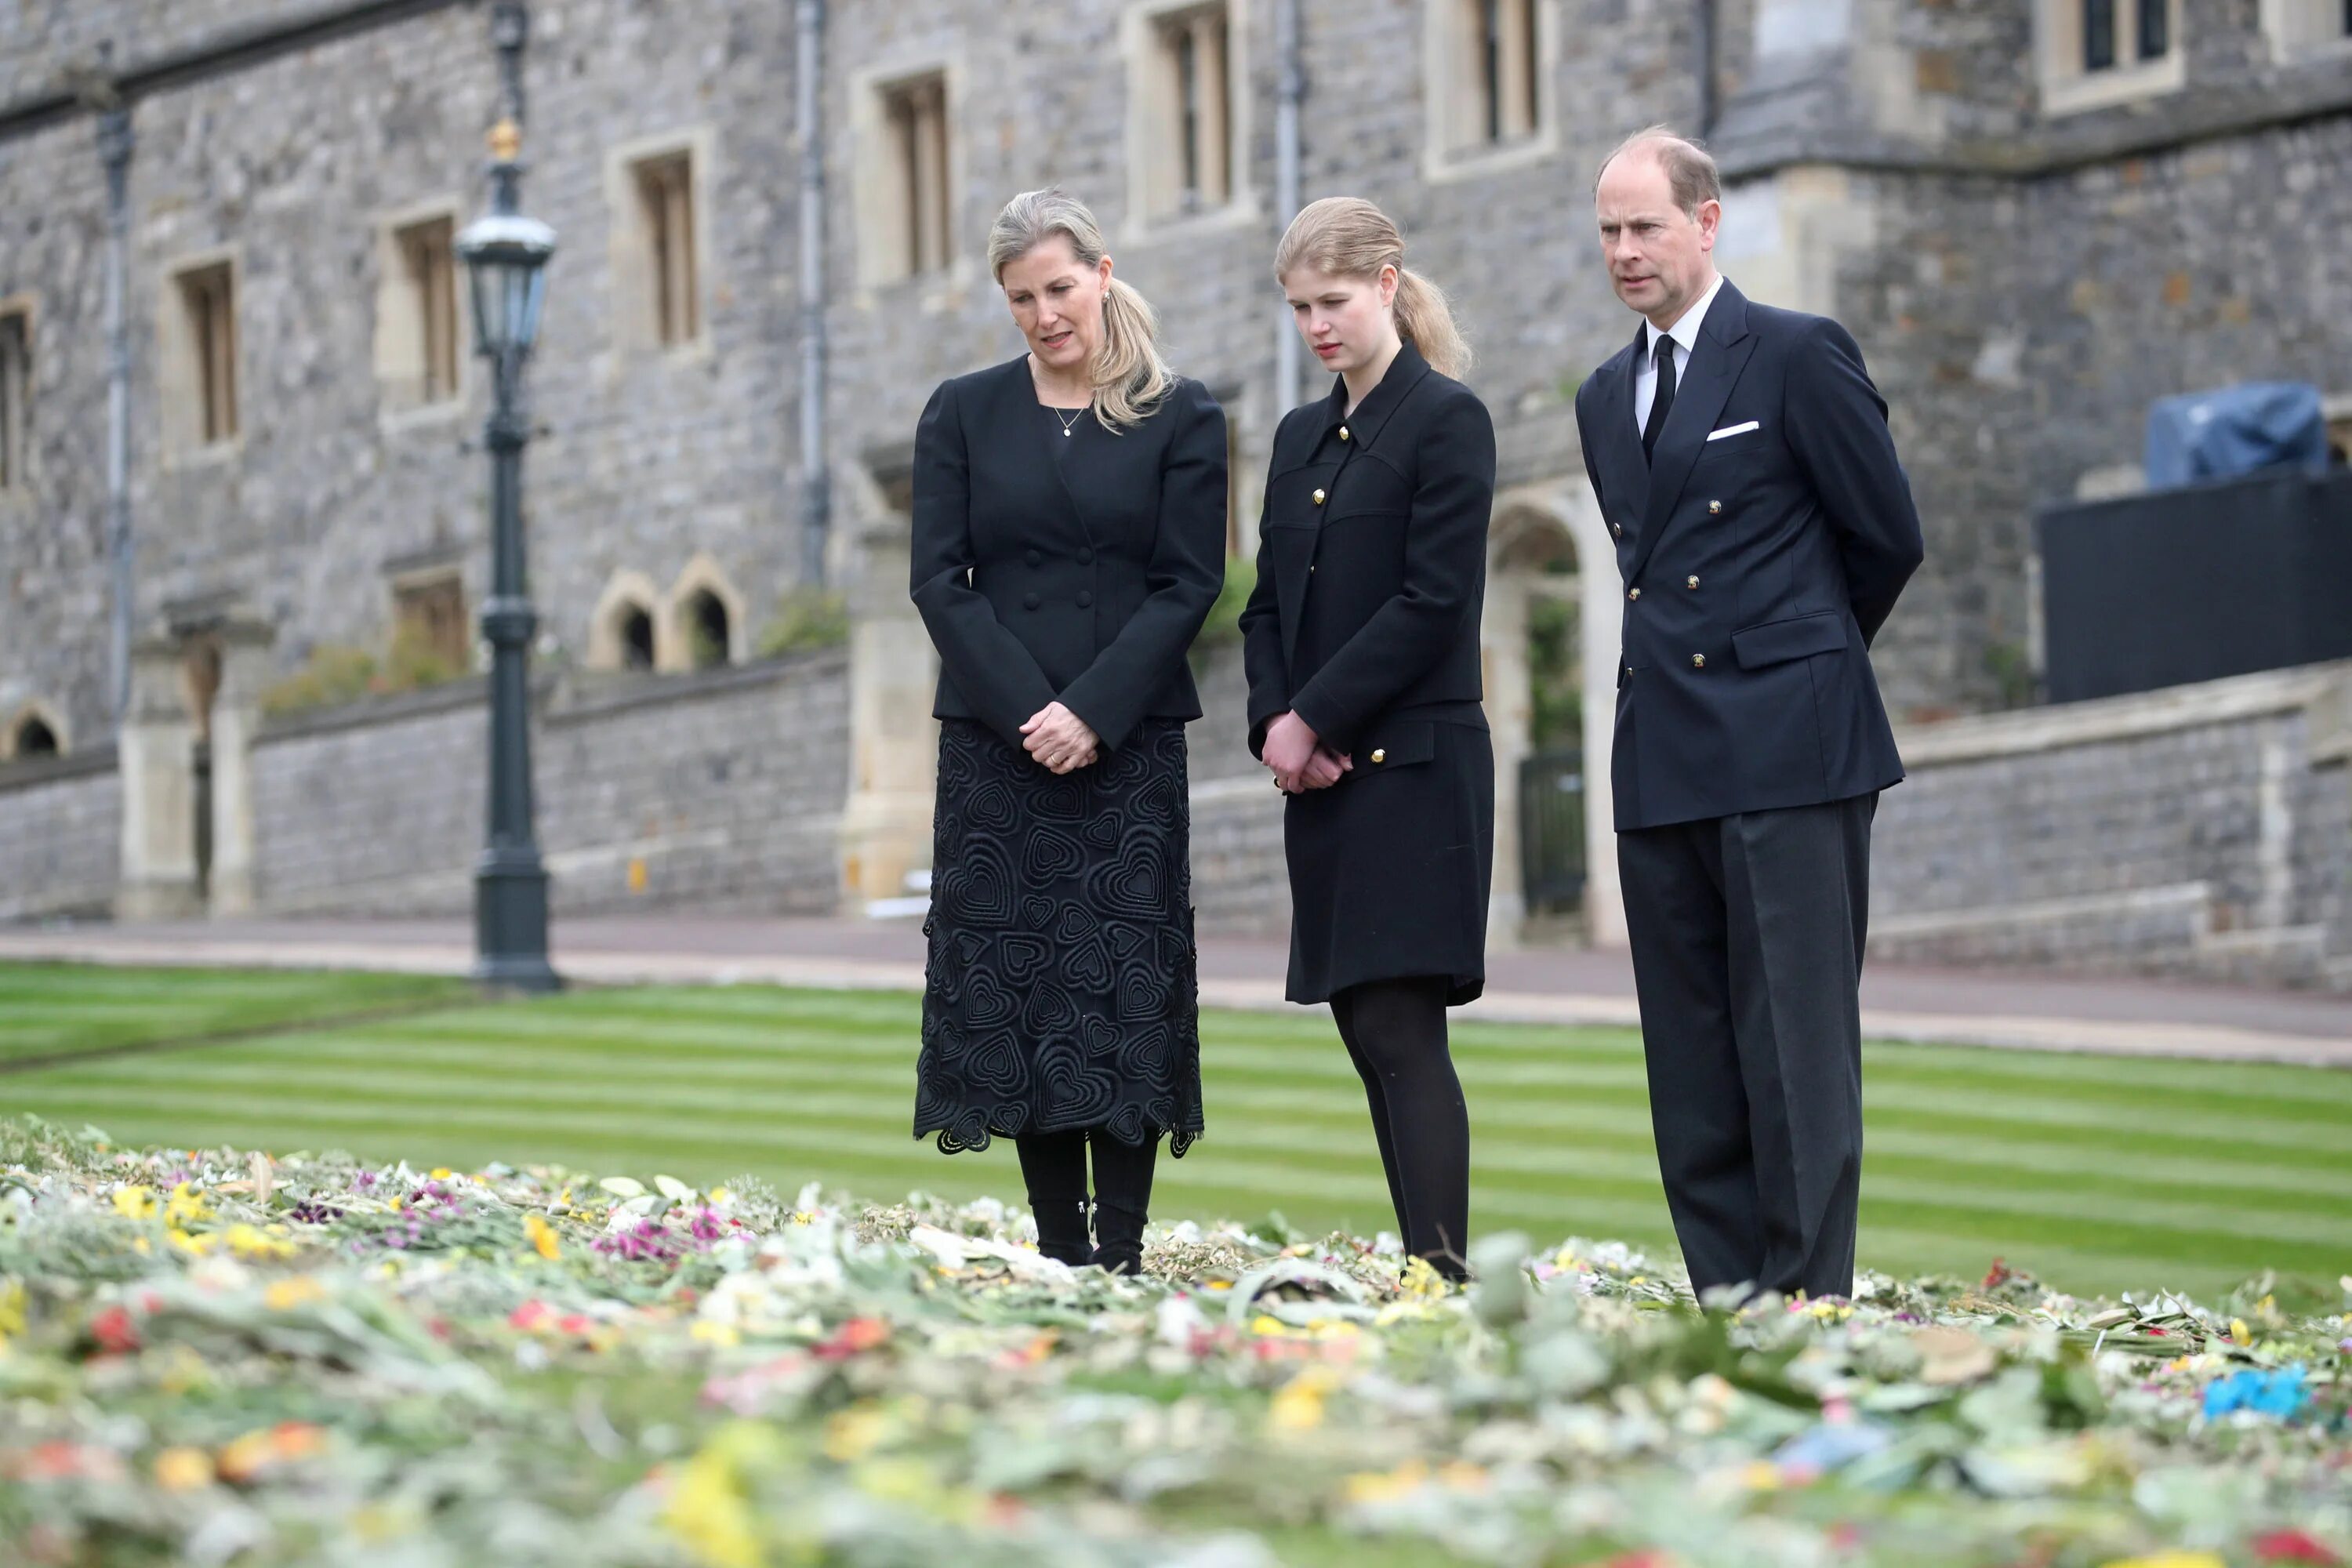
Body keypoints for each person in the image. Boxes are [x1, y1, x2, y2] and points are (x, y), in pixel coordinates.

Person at [1572, 128, 1924, 1301]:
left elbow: (1885, 539)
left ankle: (1809, 1308)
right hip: (1662, 753)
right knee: (1691, 1059)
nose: (1626, 251)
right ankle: (1730, 1303)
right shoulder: (1599, 396)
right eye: (1611, 231)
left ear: (1706, 223)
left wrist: (1796, 669)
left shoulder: (1794, 354)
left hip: (1789, 752)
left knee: (1797, 1055)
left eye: (1646, 227)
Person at [909, 188, 1228, 1275]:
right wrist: (1028, 713)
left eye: (1058, 288)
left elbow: (1189, 581)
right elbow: (939, 585)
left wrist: (1090, 709)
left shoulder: (1182, 415)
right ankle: (1057, 1248)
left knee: (1120, 982)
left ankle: (1125, 1251)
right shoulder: (959, 412)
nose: (1045, 314)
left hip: (1127, 748)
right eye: (1021, 299)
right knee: (1027, 986)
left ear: (1100, 271)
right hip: (997, 755)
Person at [1238, 197, 1497, 1281]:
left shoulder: (1446, 420)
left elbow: (1434, 602)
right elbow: (1263, 610)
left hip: (1416, 770)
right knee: (1363, 1028)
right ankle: (1424, 1271)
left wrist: (1315, 718)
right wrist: (1273, 725)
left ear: (1387, 284)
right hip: (1326, 779)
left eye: (1333, 302)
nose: (1317, 327)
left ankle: (1441, 1276)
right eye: (1300, 309)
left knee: (1400, 1028)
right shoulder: (1301, 434)